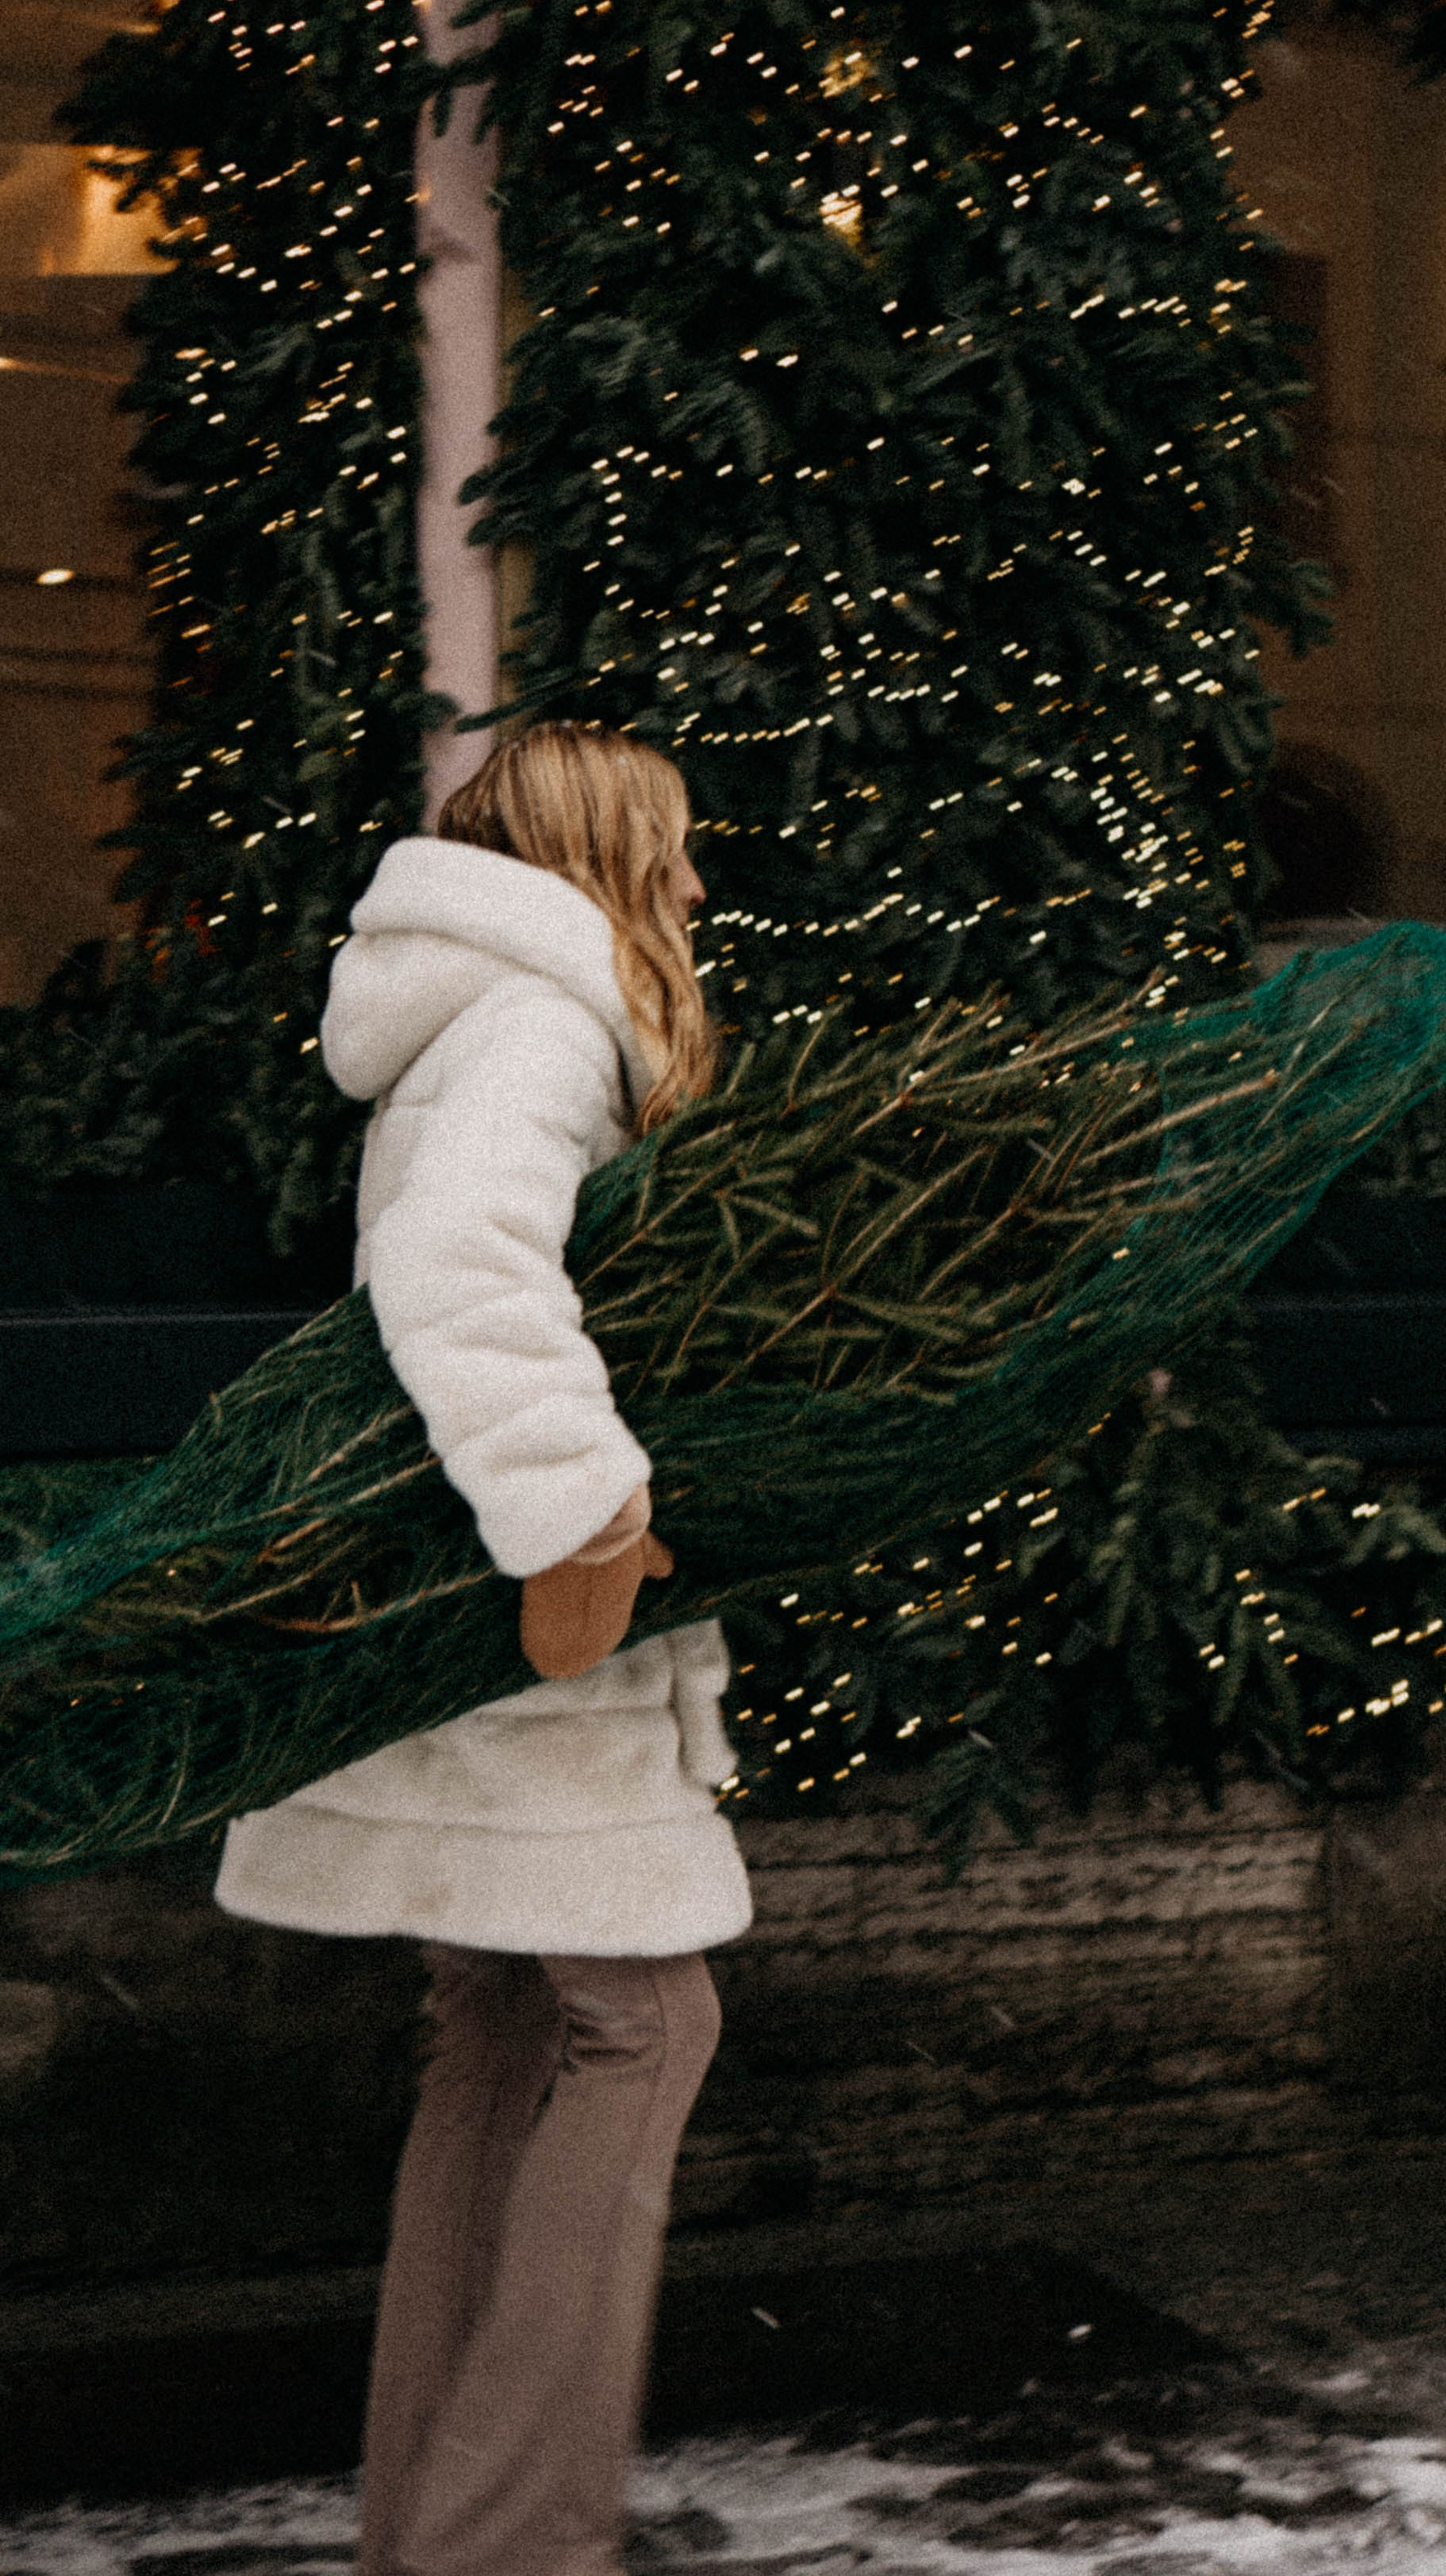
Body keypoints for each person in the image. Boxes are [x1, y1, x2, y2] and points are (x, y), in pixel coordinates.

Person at [215, 720, 751, 2576]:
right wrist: (582, 1511)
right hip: (527, 1619)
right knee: (645, 2023)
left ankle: (436, 2536)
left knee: (504, 2028)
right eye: (671, 849)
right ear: (604, 857)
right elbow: (456, 1264)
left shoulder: (466, 1013)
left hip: (449, 1610)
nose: (695, 885)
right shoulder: (541, 1020)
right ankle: (508, 2543)